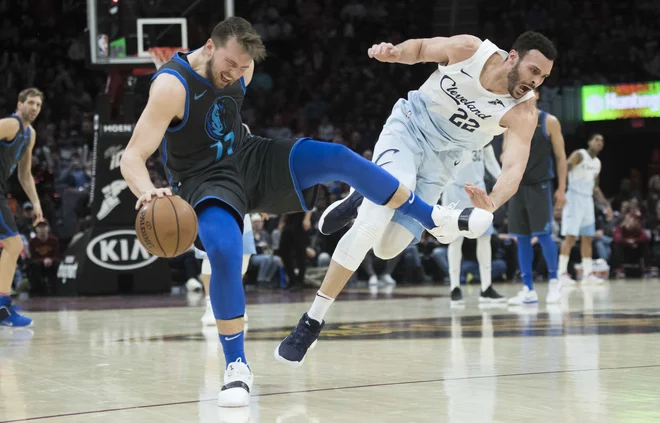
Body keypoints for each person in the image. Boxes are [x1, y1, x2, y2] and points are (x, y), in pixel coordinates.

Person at [120, 17, 486, 407]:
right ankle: (237, 367)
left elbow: (225, 118)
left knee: (337, 156)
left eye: (243, 69)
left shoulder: (243, 69)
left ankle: (429, 215)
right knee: (226, 251)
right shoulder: (171, 86)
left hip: (248, 157)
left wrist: (240, 97)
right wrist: (147, 193)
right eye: (230, 65)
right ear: (210, 47)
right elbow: (132, 157)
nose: (235, 74)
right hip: (202, 181)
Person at [276, 31, 557, 367]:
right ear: (514, 57)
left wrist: (492, 202)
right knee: (372, 223)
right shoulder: (471, 51)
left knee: (387, 248)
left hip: (439, 168)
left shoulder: (524, 111)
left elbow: (514, 167)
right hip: (408, 132)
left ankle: (362, 192)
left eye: (543, 77)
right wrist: (394, 53)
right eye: (534, 71)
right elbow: (422, 49)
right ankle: (312, 319)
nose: (535, 82)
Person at [505, 92, 568, 305]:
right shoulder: (510, 122)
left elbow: (561, 158)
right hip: (517, 187)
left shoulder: (549, 121)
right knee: (521, 238)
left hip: (540, 186)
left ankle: (554, 282)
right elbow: (504, 155)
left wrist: (561, 189)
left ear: (537, 95)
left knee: (543, 235)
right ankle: (528, 289)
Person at [0, 88, 44, 327]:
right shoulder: (10, 124)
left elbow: (25, 176)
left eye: (38, 104)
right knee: (13, 244)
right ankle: (2, 306)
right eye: (30, 103)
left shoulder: (30, 134)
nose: (35, 108)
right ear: (19, 104)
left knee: (12, 245)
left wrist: (36, 203)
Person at [443, 145, 506, 306]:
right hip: (455, 190)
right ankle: (454, 288)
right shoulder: (455, 133)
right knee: (455, 239)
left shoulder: (485, 136)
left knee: (485, 238)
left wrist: (504, 184)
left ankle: (486, 288)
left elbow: (492, 163)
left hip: (478, 190)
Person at [558, 134, 612, 284]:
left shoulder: (597, 163)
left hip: (587, 200)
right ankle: (561, 273)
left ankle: (588, 274)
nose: (599, 143)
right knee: (570, 237)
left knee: (587, 237)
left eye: (602, 141)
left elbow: (595, 188)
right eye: (596, 140)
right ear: (589, 141)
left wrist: (606, 205)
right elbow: (564, 168)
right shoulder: (579, 155)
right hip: (574, 197)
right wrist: (561, 191)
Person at [198, 213, 255, 326]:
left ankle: (233, 302)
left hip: (241, 205)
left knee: (244, 253)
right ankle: (211, 305)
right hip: (211, 204)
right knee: (210, 253)